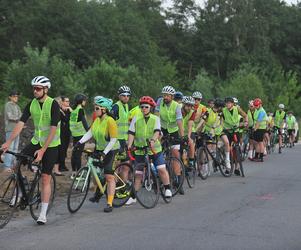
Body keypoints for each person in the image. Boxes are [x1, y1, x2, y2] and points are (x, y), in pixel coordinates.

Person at [1, 76, 61, 225]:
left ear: (45, 90)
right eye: (33, 88)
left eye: (38, 88)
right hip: (36, 141)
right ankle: (20, 190)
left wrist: (42, 151)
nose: (35, 91)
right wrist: (7, 142)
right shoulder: (31, 104)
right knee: (17, 163)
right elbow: (20, 124)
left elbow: (53, 129)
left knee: (45, 178)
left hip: (51, 145)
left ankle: (42, 213)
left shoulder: (53, 104)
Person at [76, 97, 120, 213]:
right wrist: (79, 142)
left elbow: (113, 139)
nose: (95, 110)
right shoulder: (97, 120)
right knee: (100, 172)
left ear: (104, 110)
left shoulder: (110, 121)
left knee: (109, 176)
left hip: (111, 149)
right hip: (101, 149)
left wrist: (104, 153)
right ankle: (99, 193)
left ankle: (109, 203)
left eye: (97, 108)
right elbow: (90, 133)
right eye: (94, 108)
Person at [126, 96, 172, 205]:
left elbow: (157, 131)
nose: (144, 109)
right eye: (142, 107)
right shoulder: (136, 118)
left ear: (150, 108)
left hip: (154, 149)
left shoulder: (155, 119)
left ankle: (167, 188)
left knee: (161, 169)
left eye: (146, 107)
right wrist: (129, 145)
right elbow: (131, 133)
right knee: (138, 174)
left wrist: (153, 140)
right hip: (140, 150)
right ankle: (133, 196)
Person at [155, 86, 185, 194]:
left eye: (167, 95)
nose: (165, 97)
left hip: (174, 130)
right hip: (162, 128)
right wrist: (157, 131)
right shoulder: (159, 102)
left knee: (175, 153)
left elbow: (179, 121)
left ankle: (177, 179)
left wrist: (182, 136)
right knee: (156, 150)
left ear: (172, 97)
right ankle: (157, 176)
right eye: (164, 95)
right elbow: (156, 117)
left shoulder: (176, 106)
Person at [222, 97, 248, 175]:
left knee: (237, 149)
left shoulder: (237, 109)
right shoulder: (223, 110)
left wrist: (246, 122)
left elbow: (245, 115)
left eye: (229, 103)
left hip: (236, 130)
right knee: (227, 146)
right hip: (227, 130)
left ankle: (237, 168)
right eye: (226, 103)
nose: (227, 104)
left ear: (233, 104)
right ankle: (227, 166)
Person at [3, 90, 22, 172]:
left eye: (17, 96)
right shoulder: (8, 105)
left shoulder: (17, 106)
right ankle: (7, 166)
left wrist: (19, 118)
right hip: (10, 129)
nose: (16, 97)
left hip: (17, 129)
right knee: (9, 147)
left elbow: (21, 116)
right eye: (14, 96)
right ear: (10, 97)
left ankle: (12, 165)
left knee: (15, 148)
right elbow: (10, 117)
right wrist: (18, 118)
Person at [70, 94, 89, 174]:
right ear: (81, 101)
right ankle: (78, 172)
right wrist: (89, 131)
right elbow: (84, 122)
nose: (85, 102)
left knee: (74, 153)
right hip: (81, 135)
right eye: (84, 100)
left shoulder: (74, 110)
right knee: (78, 155)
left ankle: (74, 171)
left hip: (74, 134)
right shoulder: (80, 109)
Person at [53, 96, 72, 175]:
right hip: (58, 134)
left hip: (62, 133)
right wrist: (68, 111)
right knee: (59, 150)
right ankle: (56, 169)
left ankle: (59, 167)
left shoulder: (61, 110)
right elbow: (66, 119)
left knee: (62, 150)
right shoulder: (58, 111)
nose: (63, 104)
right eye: (61, 102)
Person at [111, 86, 131, 155]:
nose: (126, 97)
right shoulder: (116, 107)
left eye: (128, 96)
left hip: (124, 138)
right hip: (117, 138)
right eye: (123, 95)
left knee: (124, 159)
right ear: (119, 96)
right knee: (117, 159)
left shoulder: (126, 105)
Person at [181, 96, 197, 168]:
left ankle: (191, 160)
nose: (189, 108)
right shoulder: (178, 111)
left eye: (191, 106)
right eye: (187, 105)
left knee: (191, 143)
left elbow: (190, 125)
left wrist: (189, 137)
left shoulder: (192, 112)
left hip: (189, 131)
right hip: (180, 131)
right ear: (184, 104)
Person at [251, 98, 267, 162]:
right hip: (257, 128)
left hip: (261, 128)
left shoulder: (262, 111)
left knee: (260, 143)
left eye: (256, 105)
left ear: (260, 105)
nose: (255, 106)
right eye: (254, 105)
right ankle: (256, 156)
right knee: (256, 143)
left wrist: (255, 129)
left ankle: (261, 157)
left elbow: (258, 121)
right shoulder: (257, 110)